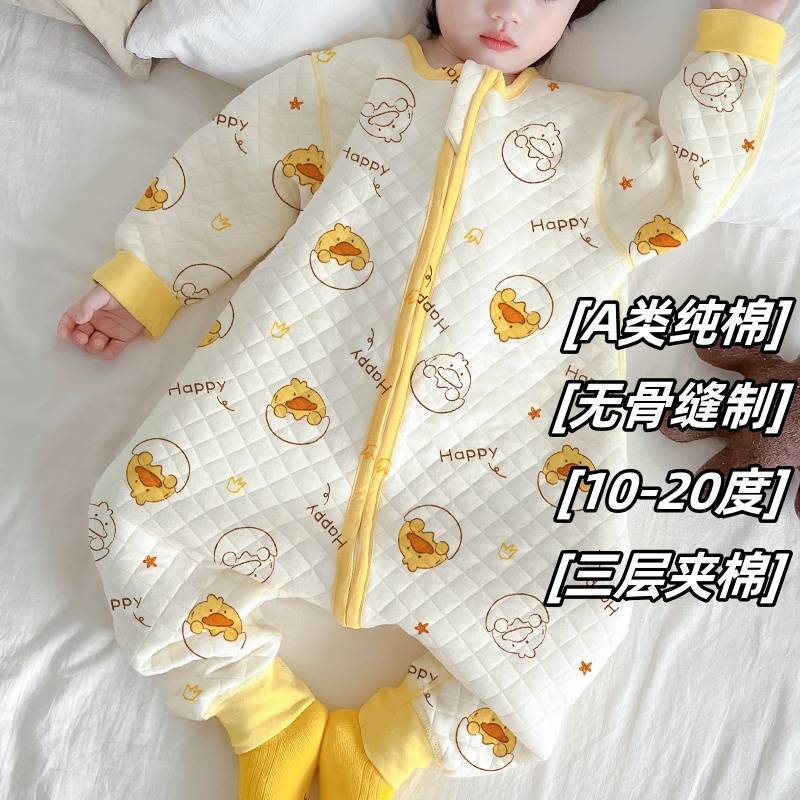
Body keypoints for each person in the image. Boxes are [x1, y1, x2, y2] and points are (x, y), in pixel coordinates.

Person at [61, 1, 788, 798]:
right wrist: (145, 281)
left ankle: (390, 744)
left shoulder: (601, 137)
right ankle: (263, 715)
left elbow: (693, 183)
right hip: (281, 410)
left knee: (585, 602)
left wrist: (739, 30)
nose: (508, 10)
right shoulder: (356, 80)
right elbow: (239, 166)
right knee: (127, 520)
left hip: (500, 459)